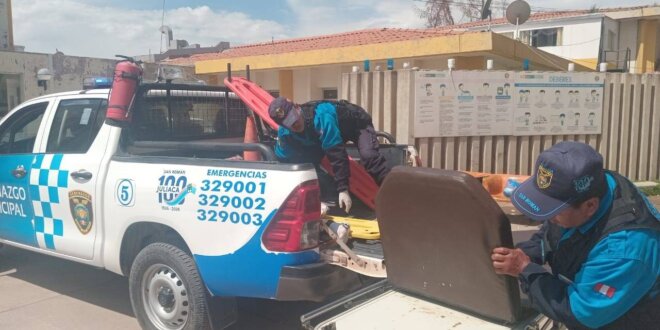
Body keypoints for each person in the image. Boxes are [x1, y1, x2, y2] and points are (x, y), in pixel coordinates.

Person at [491, 141, 659, 329]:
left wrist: (525, 269)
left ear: (590, 206)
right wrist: (529, 252)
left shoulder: (622, 250)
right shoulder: (597, 183)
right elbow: (553, 232)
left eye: (554, 211)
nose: (548, 218)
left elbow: (580, 313)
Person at [268, 97, 391, 213]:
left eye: (293, 116)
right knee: (306, 161)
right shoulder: (285, 135)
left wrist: (343, 189)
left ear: (297, 108)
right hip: (322, 135)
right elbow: (283, 160)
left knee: (369, 156)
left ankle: (395, 192)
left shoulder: (321, 116)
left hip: (356, 124)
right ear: (283, 125)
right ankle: (319, 198)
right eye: (289, 122)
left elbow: (337, 153)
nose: (295, 123)